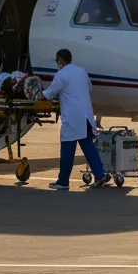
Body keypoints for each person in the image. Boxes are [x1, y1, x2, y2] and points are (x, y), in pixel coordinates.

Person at [43, 48, 110, 190]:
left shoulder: (61, 75)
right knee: (88, 145)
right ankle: (100, 174)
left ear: (60, 60)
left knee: (67, 149)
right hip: (86, 115)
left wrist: (38, 95)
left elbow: (50, 93)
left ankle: (63, 182)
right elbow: (89, 88)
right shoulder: (81, 71)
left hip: (72, 118)